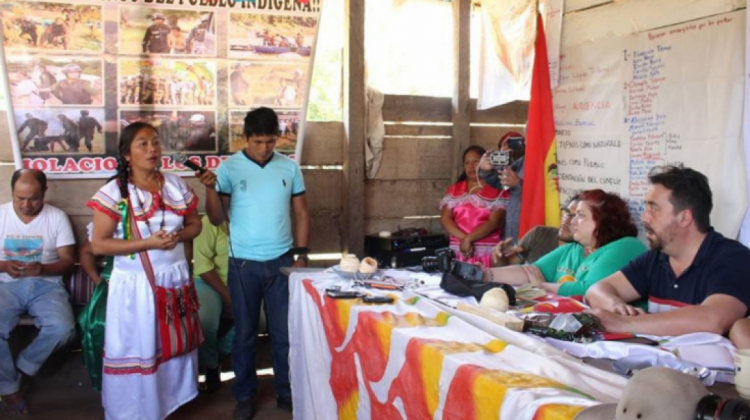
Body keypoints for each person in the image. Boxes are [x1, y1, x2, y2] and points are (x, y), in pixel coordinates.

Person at [197, 107, 310, 419]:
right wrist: (210, 188)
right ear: (245, 137)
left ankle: (286, 392)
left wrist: (301, 256)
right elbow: (218, 218)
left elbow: (301, 213)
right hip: (242, 264)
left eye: (271, 142)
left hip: (282, 262)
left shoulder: (289, 168)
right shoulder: (229, 169)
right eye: (258, 141)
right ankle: (244, 395)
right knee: (244, 334)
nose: (264, 148)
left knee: (284, 334)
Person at [88, 122, 202, 420]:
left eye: (155, 143)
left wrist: (178, 237)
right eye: (142, 144)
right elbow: (99, 244)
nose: (152, 149)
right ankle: (134, 411)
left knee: (171, 343)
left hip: (174, 281)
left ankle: (167, 404)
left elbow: (195, 225)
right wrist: (147, 243)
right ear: (127, 154)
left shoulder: (175, 185)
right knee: (142, 346)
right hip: (137, 286)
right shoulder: (114, 192)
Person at [586, 166, 750, 336]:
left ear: (684, 218)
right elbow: (597, 289)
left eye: (654, 208)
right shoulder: (656, 258)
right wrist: (614, 305)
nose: (644, 217)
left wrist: (624, 323)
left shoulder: (733, 259)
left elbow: (714, 320)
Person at [0, 169, 76, 416]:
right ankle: (10, 389)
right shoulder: (1, 215)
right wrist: (3, 266)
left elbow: (67, 262)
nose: (26, 204)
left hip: (48, 286)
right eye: (19, 198)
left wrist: (42, 268)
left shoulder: (57, 217)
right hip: (6, 285)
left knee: (63, 329)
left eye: (33, 198)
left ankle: (22, 368)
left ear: (44, 192)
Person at [485, 189, 646, 297]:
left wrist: (542, 286)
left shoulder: (625, 247)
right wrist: (484, 274)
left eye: (580, 215)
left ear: (604, 221)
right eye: (571, 215)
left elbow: (589, 291)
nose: (572, 222)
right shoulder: (573, 249)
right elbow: (529, 271)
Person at [440, 145, 508, 267]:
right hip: (459, 252)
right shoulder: (455, 189)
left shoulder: (497, 189)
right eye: (467, 162)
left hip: (488, 255)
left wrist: (469, 239)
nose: (471, 166)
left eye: (476, 161)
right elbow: (446, 218)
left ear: (485, 162)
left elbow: (494, 222)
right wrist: (464, 239)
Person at [193, 215, 234, 392]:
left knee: (257, 318)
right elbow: (202, 266)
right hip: (209, 281)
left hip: (244, 283)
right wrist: (228, 298)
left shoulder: (255, 215)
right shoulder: (210, 222)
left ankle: (221, 351)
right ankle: (210, 365)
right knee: (205, 319)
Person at [492, 194, 580, 266]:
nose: (566, 219)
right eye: (566, 212)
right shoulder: (539, 234)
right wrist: (499, 256)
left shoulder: (588, 252)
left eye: (575, 216)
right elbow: (505, 269)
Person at [78, 222, 113, 392]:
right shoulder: (113, 219)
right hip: (113, 285)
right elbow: (86, 251)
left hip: (151, 283)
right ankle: (109, 383)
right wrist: (96, 279)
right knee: (100, 323)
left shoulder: (158, 219)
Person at [478, 131, 526, 243]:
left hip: (530, 231)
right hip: (512, 232)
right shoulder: (523, 161)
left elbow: (546, 196)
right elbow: (500, 182)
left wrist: (519, 185)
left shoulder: (548, 162)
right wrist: (488, 169)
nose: (525, 142)